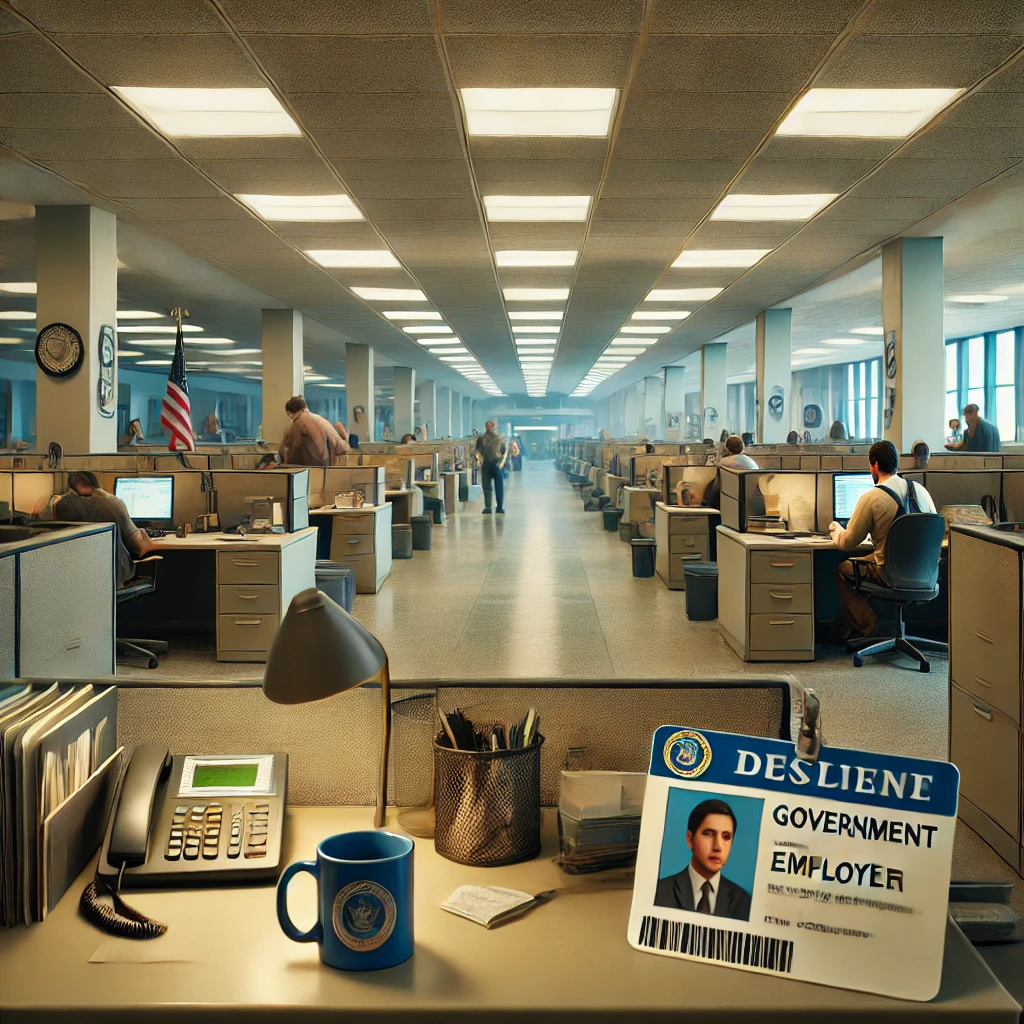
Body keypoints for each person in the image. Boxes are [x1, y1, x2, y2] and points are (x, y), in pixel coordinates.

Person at [828, 439, 937, 640]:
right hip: (924, 574)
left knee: (843, 569)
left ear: (875, 465)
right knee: (870, 560)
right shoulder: (922, 491)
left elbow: (846, 543)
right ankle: (846, 626)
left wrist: (835, 529)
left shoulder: (872, 497)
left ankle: (867, 625)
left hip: (889, 573)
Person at [55, 471, 158, 587]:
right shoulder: (113, 503)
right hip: (114, 581)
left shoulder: (61, 506)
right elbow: (140, 548)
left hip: (77, 584)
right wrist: (146, 537)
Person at [654, 799, 751, 921]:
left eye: (726, 837)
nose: (718, 847)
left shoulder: (743, 901)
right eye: (709, 834)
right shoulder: (659, 892)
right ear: (690, 839)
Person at [280, 396, 348, 466]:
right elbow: (341, 447)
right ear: (305, 407)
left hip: (298, 473)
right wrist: (346, 437)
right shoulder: (321, 422)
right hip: (321, 471)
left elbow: (282, 455)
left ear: (289, 413)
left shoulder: (289, 429)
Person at [475, 420, 506, 515]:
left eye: (490, 426)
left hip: (496, 463)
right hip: (486, 464)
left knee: (499, 487)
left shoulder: (498, 439)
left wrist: (501, 462)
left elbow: (503, 450)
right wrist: (480, 460)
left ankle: (499, 507)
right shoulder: (481, 438)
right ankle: (488, 507)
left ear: (493, 427)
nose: (489, 428)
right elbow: (477, 450)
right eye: (487, 426)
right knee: (486, 486)